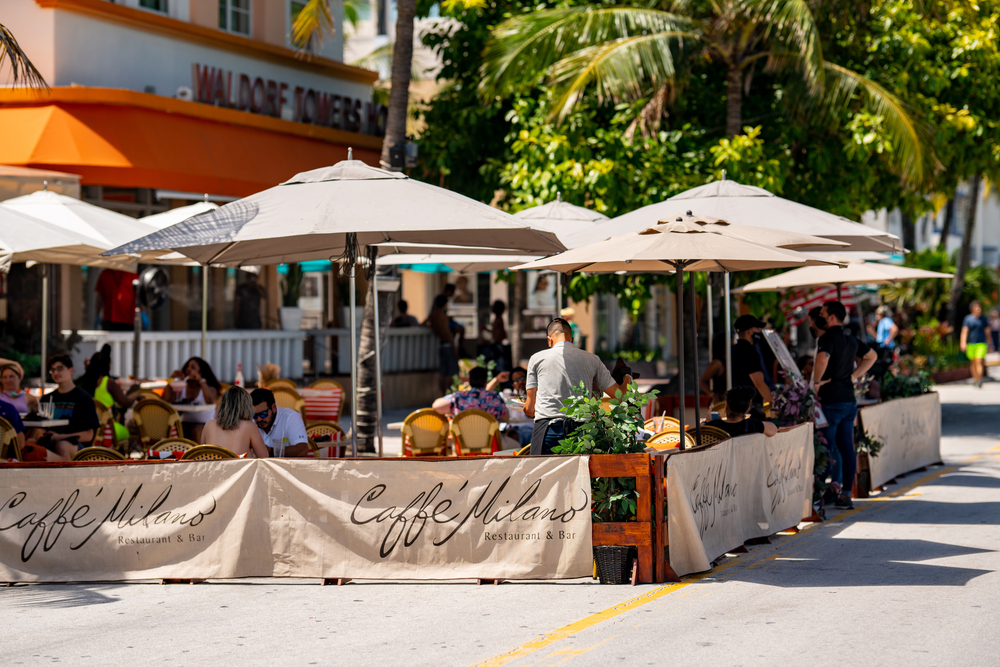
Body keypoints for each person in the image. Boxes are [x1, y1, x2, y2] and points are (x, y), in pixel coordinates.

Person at [524, 318, 630, 454]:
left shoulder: (536, 359)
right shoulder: (592, 359)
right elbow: (620, 396)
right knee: (580, 475)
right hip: (582, 433)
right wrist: (627, 376)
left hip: (547, 432)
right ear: (572, 340)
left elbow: (530, 409)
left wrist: (529, 407)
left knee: (543, 475)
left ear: (549, 340)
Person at [812, 300, 877, 510]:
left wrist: (815, 382)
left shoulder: (827, 338)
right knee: (847, 448)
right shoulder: (850, 338)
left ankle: (819, 496)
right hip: (849, 401)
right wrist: (854, 376)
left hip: (831, 400)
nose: (819, 316)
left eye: (822, 313)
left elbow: (822, 359)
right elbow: (871, 356)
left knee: (826, 448)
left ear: (831, 317)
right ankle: (846, 494)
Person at [37, 354, 100, 461]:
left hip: (77, 446)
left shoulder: (84, 398)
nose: (56, 373)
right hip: (49, 442)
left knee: (62, 446)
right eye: (52, 370)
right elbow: (40, 428)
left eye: (60, 368)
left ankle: (68, 476)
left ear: (71, 370)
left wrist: (59, 437)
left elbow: (89, 435)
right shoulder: (47, 398)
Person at [76, 344, 139, 444]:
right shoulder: (108, 382)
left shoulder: (81, 381)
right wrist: (136, 395)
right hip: (105, 431)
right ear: (107, 365)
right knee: (128, 431)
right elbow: (126, 403)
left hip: (84, 431)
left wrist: (87, 368)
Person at [162, 356, 221, 443]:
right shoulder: (181, 386)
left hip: (205, 423)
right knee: (174, 429)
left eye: (193, 367)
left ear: (201, 372)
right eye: (187, 367)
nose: (188, 369)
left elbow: (211, 400)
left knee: (196, 430)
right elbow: (165, 400)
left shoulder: (208, 387)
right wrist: (173, 380)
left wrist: (201, 380)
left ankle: (198, 455)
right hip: (186, 422)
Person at [201, 388, 270, 458]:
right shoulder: (249, 426)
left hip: (212, 468)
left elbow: (202, 455)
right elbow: (264, 457)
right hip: (237, 468)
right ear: (246, 406)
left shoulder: (208, 425)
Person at [730, 315, 773, 414]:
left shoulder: (732, 351)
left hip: (734, 404)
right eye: (757, 328)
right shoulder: (750, 353)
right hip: (750, 405)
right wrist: (774, 402)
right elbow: (759, 383)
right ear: (749, 331)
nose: (759, 331)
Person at [432, 366, 510, 421]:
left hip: (463, 443)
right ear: (486, 382)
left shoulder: (458, 397)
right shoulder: (495, 397)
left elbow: (436, 406)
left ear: (469, 382)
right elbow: (506, 418)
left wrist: (452, 411)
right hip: (490, 443)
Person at [249, 388, 310, 457]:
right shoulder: (249, 420)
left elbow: (302, 450)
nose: (259, 419)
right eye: (254, 415)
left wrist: (270, 451)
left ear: (274, 408)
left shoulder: (290, 417)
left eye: (263, 414)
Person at [705, 386, 777, 438]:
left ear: (726, 405)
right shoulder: (751, 425)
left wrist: (707, 422)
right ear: (747, 409)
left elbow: (699, 435)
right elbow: (773, 429)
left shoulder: (714, 426)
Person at [426, 294, 459, 394]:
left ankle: (443, 395)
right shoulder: (442, 315)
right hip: (448, 345)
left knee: (443, 374)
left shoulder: (433, 314)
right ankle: (450, 395)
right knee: (451, 374)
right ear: (444, 304)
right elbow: (447, 333)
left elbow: (423, 324)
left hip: (441, 345)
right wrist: (454, 348)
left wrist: (433, 328)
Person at [960, 301, 993, 388]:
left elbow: (987, 332)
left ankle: (979, 380)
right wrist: (963, 342)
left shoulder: (984, 319)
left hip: (981, 344)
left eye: (980, 307)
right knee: (973, 363)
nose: (979, 309)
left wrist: (989, 344)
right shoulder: (968, 319)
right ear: (972, 309)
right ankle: (976, 379)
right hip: (971, 344)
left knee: (979, 361)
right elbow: (964, 331)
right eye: (976, 307)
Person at [699, 333, 729, 405]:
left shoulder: (730, 360)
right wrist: (713, 395)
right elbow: (702, 382)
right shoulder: (717, 363)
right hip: (720, 403)